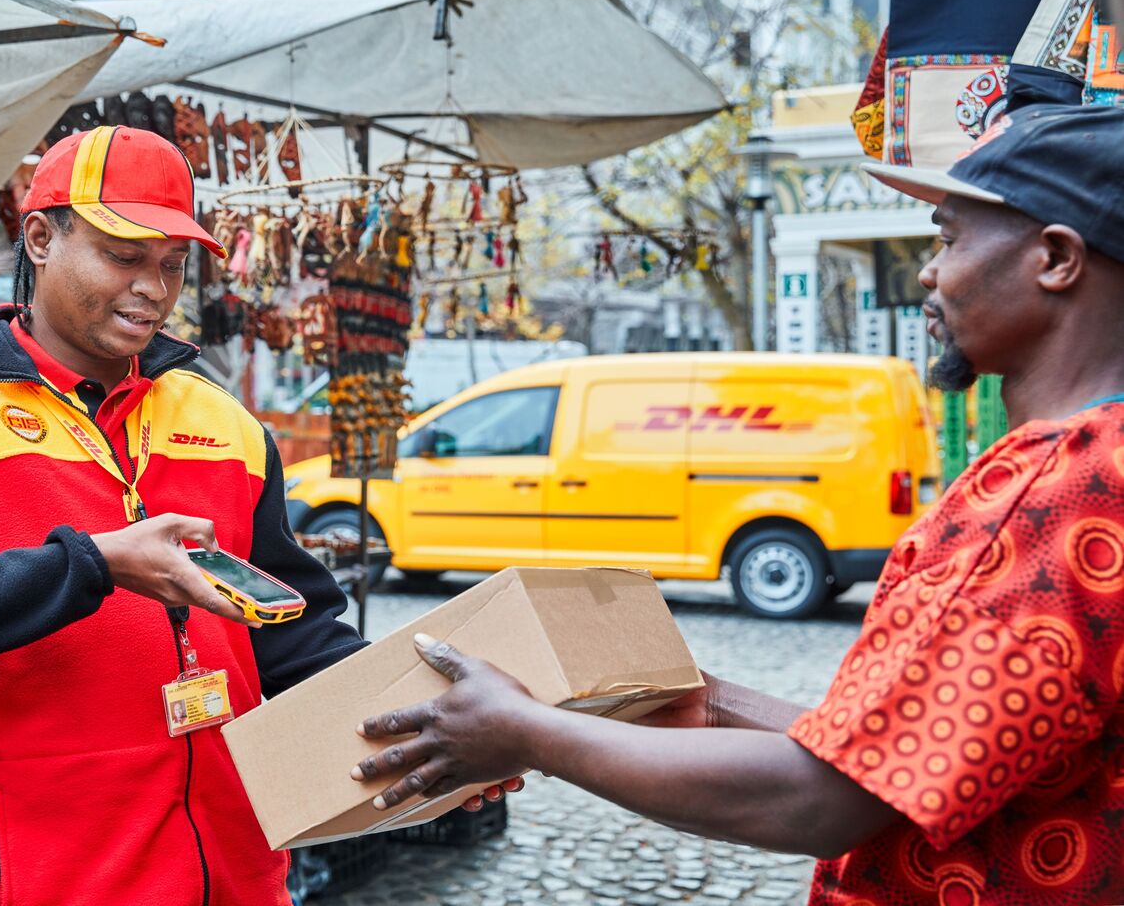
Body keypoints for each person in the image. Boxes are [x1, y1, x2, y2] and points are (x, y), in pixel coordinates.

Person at [352, 103, 1124, 904]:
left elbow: (825, 800)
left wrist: (529, 733)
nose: (930, 272)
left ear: (1057, 259)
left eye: (948, 238)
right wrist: (714, 705)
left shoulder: (1058, 485)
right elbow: (909, 748)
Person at [0, 126, 369, 906]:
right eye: (124, 255)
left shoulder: (228, 424)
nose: (154, 287)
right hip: (30, 883)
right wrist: (93, 564)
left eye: (173, 265)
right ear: (40, 238)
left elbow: (293, 629)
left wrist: (428, 723)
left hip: (237, 882)